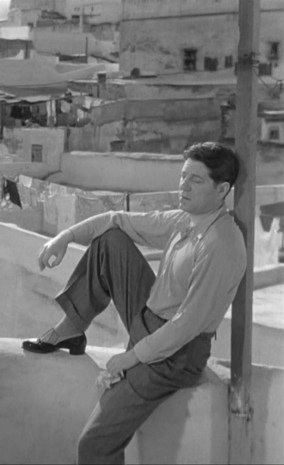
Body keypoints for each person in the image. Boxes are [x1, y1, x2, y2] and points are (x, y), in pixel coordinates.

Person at [22, 142, 246, 464]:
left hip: (175, 355)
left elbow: (187, 325)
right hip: (149, 319)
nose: (183, 186)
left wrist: (128, 359)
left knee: (94, 444)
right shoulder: (185, 219)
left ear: (222, 189)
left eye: (195, 180)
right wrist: (65, 237)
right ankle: (71, 328)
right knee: (110, 239)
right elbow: (116, 219)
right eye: (183, 176)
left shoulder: (221, 243)